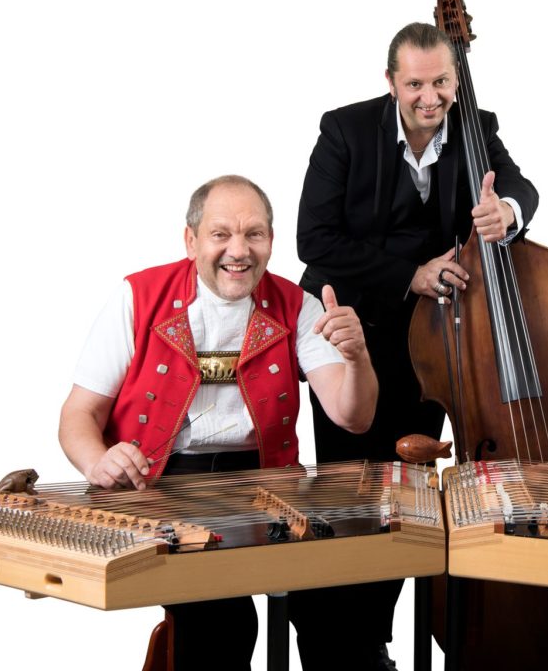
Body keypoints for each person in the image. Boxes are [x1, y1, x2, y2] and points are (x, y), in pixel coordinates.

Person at [59, 175, 377, 671]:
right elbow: (78, 414)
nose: (239, 251)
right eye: (221, 234)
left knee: (338, 608)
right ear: (191, 241)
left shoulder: (299, 305)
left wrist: (356, 358)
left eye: (254, 234)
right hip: (165, 484)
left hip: (267, 480)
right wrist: (98, 462)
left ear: (271, 240)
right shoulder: (138, 295)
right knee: (222, 622)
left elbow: (352, 416)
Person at [294, 22, 538, 668]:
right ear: (390, 82)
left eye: (441, 83)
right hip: (351, 330)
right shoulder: (344, 130)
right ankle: (329, 645)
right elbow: (315, 241)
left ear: (456, 79)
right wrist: (411, 273)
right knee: (351, 492)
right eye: (415, 85)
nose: (431, 98)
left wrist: (508, 212)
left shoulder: (477, 125)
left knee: (409, 498)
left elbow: (522, 188)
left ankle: (368, 641)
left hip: (433, 342)